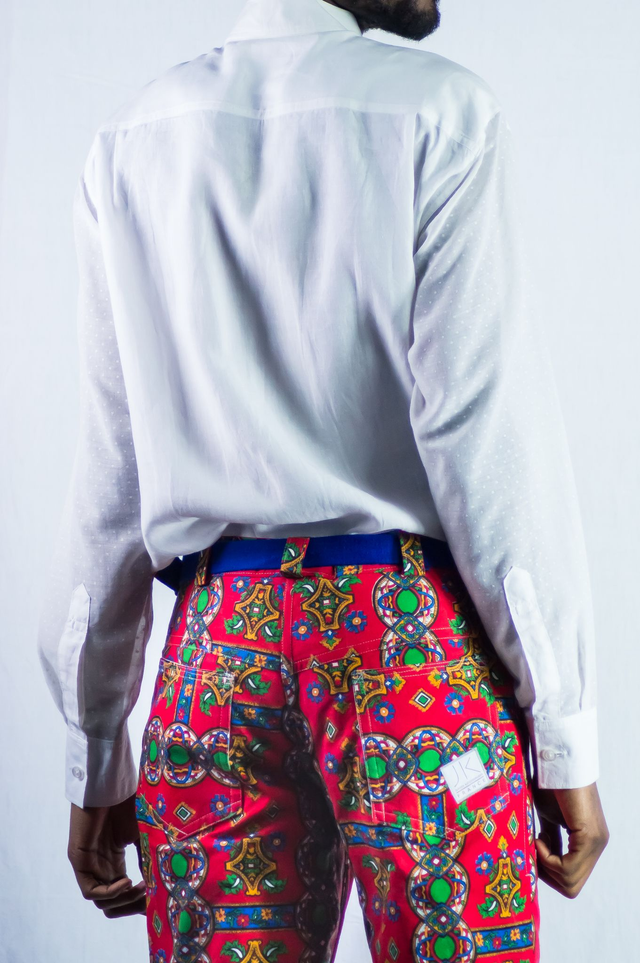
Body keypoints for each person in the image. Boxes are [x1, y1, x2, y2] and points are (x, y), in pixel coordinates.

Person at [36, 0, 609, 960]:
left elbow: (112, 469)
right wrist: (563, 727)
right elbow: (484, 433)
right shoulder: (440, 115)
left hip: (215, 662)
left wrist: (95, 749)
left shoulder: (132, 141)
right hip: (407, 656)